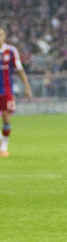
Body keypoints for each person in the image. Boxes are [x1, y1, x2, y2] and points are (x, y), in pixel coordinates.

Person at [0, 28, 32, 157]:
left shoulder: (11, 51)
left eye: (1, 34)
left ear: (4, 36)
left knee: (6, 119)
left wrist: (27, 87)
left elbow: (19, 70)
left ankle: (4, 146)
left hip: (6, 91)